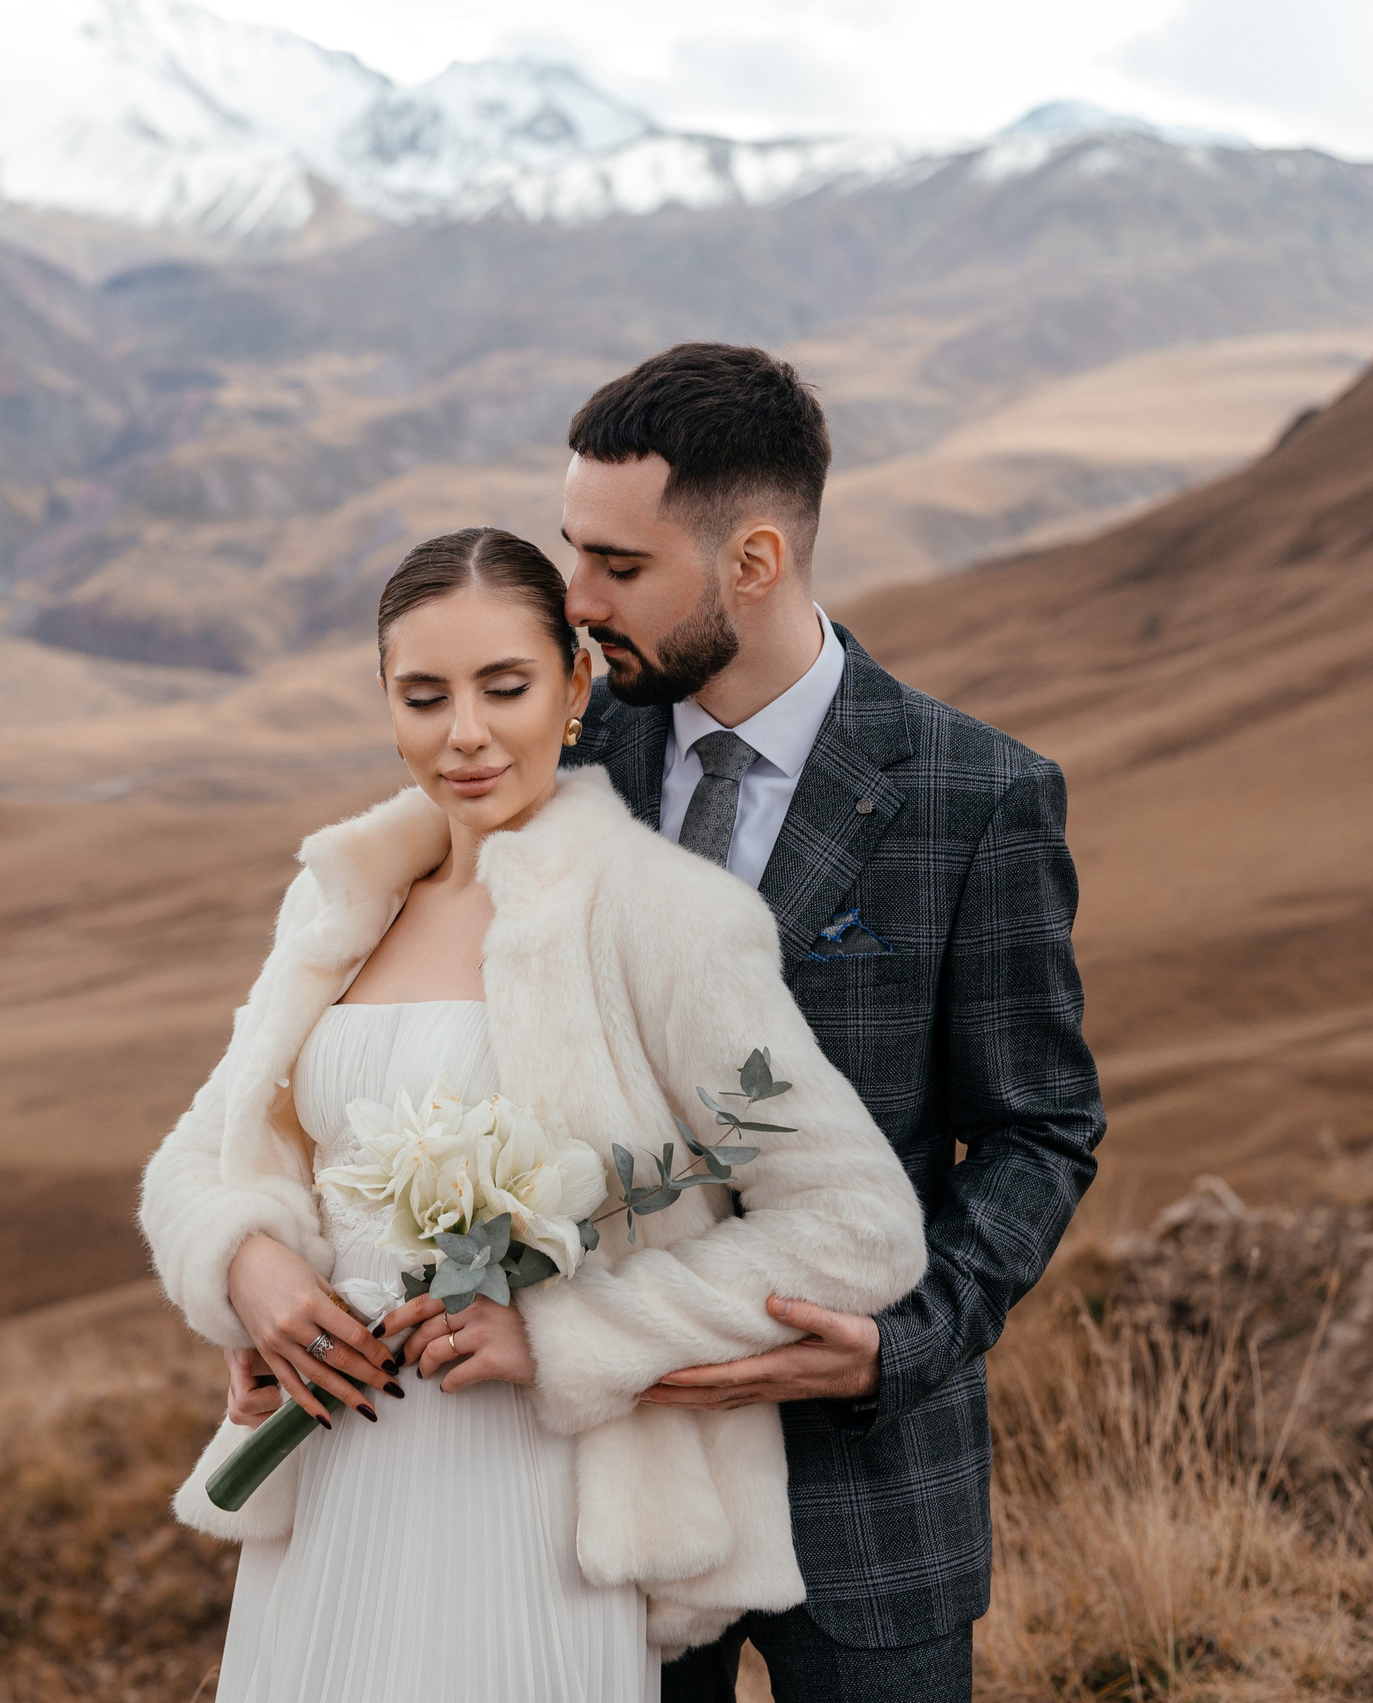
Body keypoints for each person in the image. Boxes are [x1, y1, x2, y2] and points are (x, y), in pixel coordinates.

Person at [139, 525, 931, 1702]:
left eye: (503, 686)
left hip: (534, 1493)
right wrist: (247, 1263)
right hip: (334, 1482)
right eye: (424, 695)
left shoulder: (657, 913)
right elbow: (202, 1149)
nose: (463, 732)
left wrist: (566, 1335)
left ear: (572, 686)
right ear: (386, 703)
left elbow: (856, 1221)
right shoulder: (340, 894)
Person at [556, 343, 1106, 1701]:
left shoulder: (978, 796)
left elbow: (1039, 1128)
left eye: (619, 566)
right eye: (575, 551)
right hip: (609, 1483)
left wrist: (902, 1341)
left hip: (871, 1493)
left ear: (752, 560)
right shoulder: (560, 768)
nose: (574, 601)